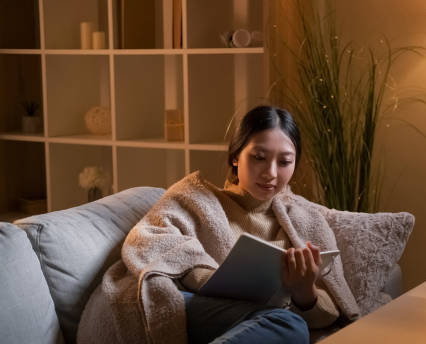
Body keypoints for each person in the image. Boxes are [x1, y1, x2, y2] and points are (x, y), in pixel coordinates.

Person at [77, 106, 361, 344]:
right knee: (287, 325)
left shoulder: (305, 222)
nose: (271, 173)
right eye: (259, 157)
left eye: (285, 161)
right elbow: (146, 240)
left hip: (250, 321)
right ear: (236, 157)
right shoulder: (194, 197)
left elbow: (330, 315)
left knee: (290, 327)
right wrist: (204, 275)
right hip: (184, 303)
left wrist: (304, 291)